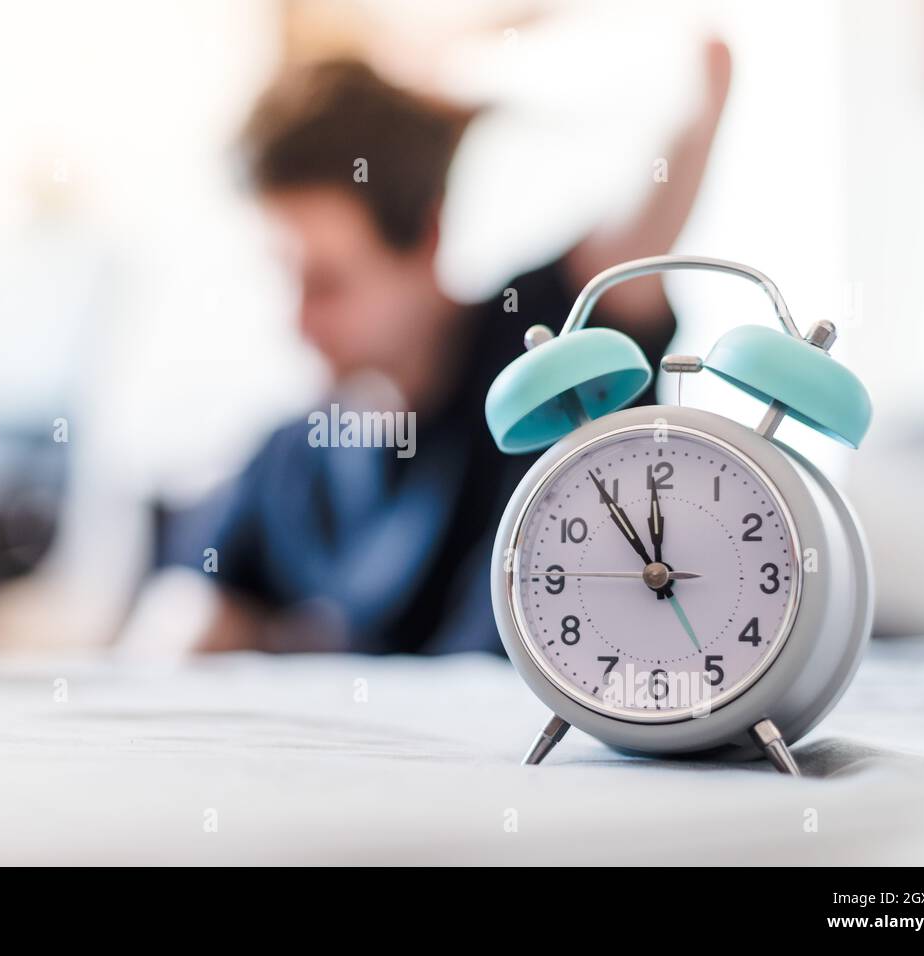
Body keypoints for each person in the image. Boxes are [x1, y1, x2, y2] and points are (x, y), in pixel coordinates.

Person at [157, 41, 734, 655]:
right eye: (284, 277)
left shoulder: (541, 347)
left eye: (327, 284)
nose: (296, 322)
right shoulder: (292, 458)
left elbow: (701, 81)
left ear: (428, 237)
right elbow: (182, 615)